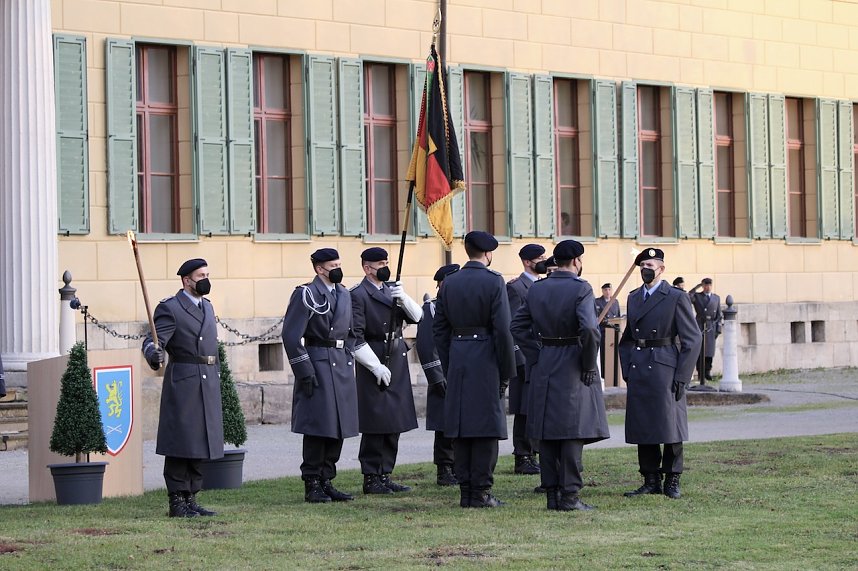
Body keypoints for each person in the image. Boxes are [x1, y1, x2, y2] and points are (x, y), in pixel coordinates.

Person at [511, 240, 609, 511]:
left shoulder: (538, 288)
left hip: (546, 361)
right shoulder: (581, 288)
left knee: (548, 433)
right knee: (572, 434)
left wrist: (537, 354)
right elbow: (589, 330)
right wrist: (589, 364)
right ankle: (569, 497)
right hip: (572, 362)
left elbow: (517, 326)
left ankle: (552, 494)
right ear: (577, 261)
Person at [433, 231, 516, 508]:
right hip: (486, 358)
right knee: (485, 427)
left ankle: (466, 490)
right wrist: (506, 369)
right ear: (488, 254)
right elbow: (503, 330)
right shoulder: (494, 282)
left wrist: (450, 361)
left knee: (460, 426)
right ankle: (480, 491)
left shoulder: (450, 283)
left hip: (458, 356)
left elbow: (440, 330)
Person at [142, 258, 223, 518]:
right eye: (201, 275)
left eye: (207, 274)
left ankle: (192, 497)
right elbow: (154, 340)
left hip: (207, 380)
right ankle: (177, 499)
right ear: (186, 280)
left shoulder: (207, 307)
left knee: (200, 441)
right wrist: (154, 353)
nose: (205, 279)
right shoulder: (171, 308)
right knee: (182, 442)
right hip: (185, 380)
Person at [618, 248, 701, 500]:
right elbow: (627, 339)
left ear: (662, 268)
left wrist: (682, 376)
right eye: (642, 264)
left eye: (651, 264)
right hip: (640, 365)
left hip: (666, 365)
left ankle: (672, 479)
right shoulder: (633, 298)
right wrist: (627, 368)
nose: (646, 268)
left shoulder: (675, 297)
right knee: (644, 424)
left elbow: (693, 339)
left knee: (670, 426)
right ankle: (650, 479)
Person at [281, 248, 359, 503]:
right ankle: (312, 481)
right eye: (331, 265)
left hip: (341, 364)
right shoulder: (306, 294)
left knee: (338, 427)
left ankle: (327, 480)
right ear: (319, 269)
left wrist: (349, 356)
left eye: (339, 263)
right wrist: (304, 370)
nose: (337, 268)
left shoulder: (345, 293)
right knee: (318, 426)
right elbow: (291, 336)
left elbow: (351, 333)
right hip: (318, 362)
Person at [350, 247, 422, 494]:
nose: (385, 266)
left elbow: (417, 317)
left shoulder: (393, 289)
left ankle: (386, 473)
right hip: (376, 359)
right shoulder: (358, 295)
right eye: (379, 263)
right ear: (367, 268)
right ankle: (371, 476)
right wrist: (375, 366)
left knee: (394, 421)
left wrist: (404, 299)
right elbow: (355, 336)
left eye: (386, 261)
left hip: (397, 358)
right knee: (376, 421)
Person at [416, 263, 460, 486]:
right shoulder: (431, 308)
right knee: (444, 423)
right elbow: (425, 345)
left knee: (461, 420)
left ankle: (459, 466)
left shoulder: (461, 305)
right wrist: (436, 375)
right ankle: (444, 468)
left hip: (462, 370)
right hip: (443, 373)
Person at [505, 243, 547, 476]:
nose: (544, 260)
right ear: (527, 262)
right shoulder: (516, 288)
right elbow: (512, 325)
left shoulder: (543, 285)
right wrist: (520, 359)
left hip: (541, 356)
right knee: (523, 408)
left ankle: (537, 451)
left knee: (537, 406)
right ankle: (523, 456)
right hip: (524, 357)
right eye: (539, 258)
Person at [690, 278, 722, 383]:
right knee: (699, 351)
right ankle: (700, 373)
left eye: (709, 285)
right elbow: (688, 297)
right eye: (705, 285)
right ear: (703, 286)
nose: (707, 287)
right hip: (699, 325)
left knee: (709, 352)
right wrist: (697, 287)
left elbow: (719, 315)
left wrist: (718, 329)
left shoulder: (716, 298)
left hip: (710, 326)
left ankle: (707, 372)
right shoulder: (698, 296)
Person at [594, 282, 621, 375]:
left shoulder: (615, 301)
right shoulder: (597, 302)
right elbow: (596, 316)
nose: (608, 292)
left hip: (613, 332)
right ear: (602, 291)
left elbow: (618, 316)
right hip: (603, 332)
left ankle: (613, 373)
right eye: (605, 290)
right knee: (603, 354)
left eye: (609, 289)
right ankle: (604, 373)